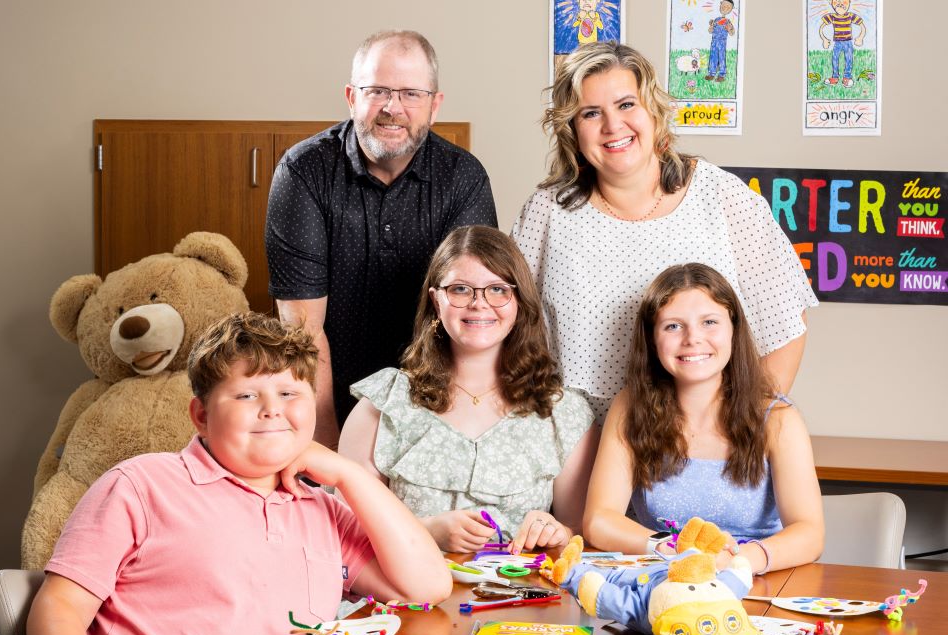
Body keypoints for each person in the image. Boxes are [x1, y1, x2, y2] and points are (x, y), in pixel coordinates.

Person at [27, 313, 451, 635]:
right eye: (246, 394)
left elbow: (428, 586)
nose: (272, 409)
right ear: (201, 415)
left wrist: (349, 475)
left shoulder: (321, 508)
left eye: (289, 392)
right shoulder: (140, 486)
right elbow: (59, 610)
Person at [512, 41, 818, 422]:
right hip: (578, 444)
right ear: (572, 131)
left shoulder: (722, 196)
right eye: (591, 113)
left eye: (626, 105)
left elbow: (785, 326)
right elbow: (507, 332)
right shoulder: (547, 212)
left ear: (654, 112)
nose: (612, 126)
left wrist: (734, 431)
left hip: (700, 444)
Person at [266, 30, 498, 451]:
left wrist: (449, 441)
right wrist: (327, 444)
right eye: (378, 92)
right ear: (352, 96)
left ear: (435, 104)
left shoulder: (464, 178)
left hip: (437, 400)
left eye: (411, 93)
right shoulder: (303, 172)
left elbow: (473, 319)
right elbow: (303, 332)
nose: (393, 109)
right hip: (325, 398)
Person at [338, 226, 598, 554]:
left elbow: (580, 535)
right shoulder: (381, 405)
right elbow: (342, 532)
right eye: (461, 289)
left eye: (498, 290)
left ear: (518, 301)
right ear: (436, 300)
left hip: (527, 600)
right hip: (407, 601)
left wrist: (559, 533)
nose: (479, 304)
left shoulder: (562, 412)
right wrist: (425, 531)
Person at [583, 264, 824, 574]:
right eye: (673, 326)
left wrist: (737, 562)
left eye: (709, 322)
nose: (692, 339)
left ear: (734, 329)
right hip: (664, 578)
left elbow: (810, 532)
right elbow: (598, 520)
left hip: (755, 581)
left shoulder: (778, 418)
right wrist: (674, 549)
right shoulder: (630, 406)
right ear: (652, 339)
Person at [819, 0, 866, 87]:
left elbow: (862, 25)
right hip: (837, 43)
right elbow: (821, 27)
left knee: (849, 59)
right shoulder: (832, 16)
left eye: (844, 2)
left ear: (849, 2)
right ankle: (835, 77)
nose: (840, 4)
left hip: (848, 42)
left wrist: (860, 37)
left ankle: (847, 78)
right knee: (835, 59)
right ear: (831, 3)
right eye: (836, 2)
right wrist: (824, 39)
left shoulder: (851, 16)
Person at [705, 0, 736, 83]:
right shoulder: (716, 20)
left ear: (731, 9)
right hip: (714, 42)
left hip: (722, 43)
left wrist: (729, 29)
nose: (725, 8)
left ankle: (722, 74)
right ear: (720, 4)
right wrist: (711, 26)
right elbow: (710, 31)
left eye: (728, 7)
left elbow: (732, 33)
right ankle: (711, 73)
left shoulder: (728, 22)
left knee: (722, 58)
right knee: (713, 57)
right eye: (724, 5)